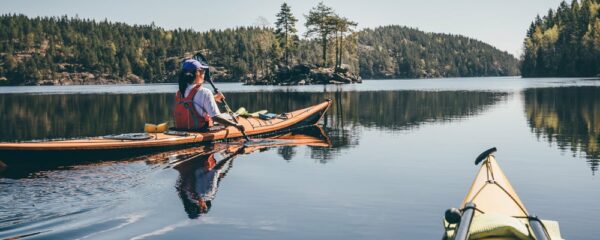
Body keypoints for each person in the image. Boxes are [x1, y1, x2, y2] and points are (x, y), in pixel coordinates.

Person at [174, 59, 243, 131]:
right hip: (200, 131)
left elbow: (194, 101)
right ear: (197, 73)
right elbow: (215, 117)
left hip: (182, 130)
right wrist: (235, 125)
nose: (204, 74)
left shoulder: (179, 93)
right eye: (203, 71)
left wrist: (213, 98)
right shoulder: (205, 92)